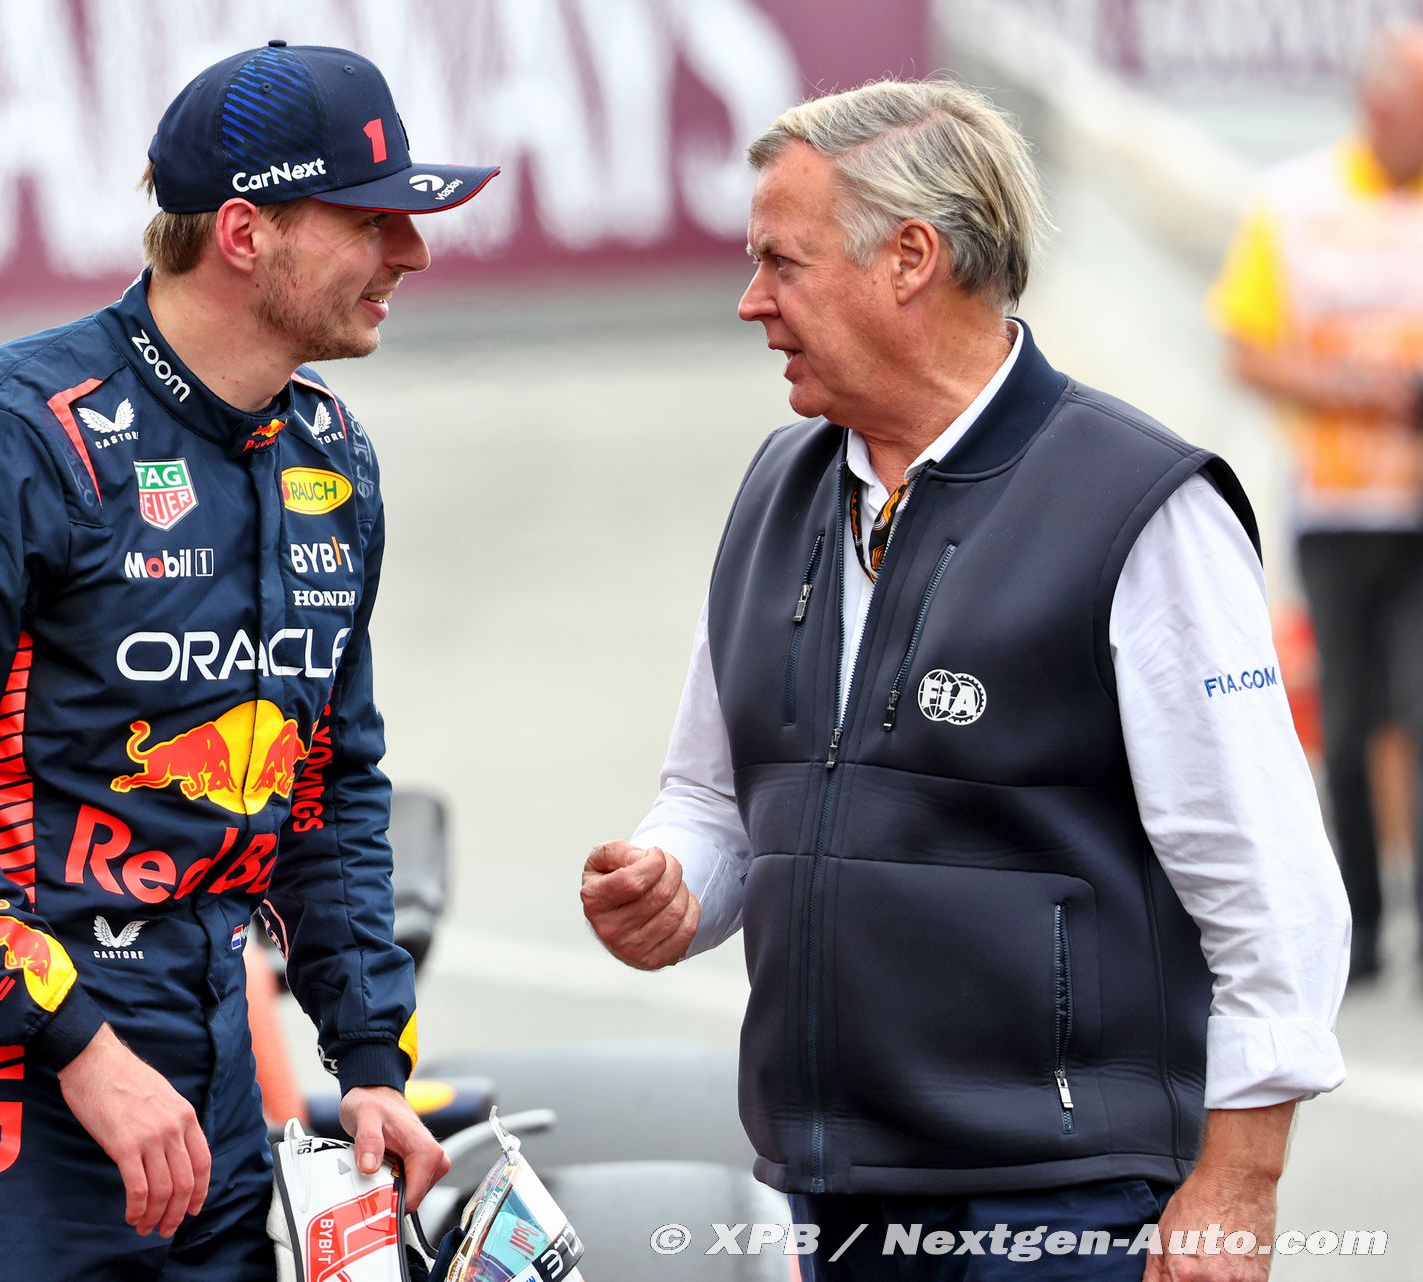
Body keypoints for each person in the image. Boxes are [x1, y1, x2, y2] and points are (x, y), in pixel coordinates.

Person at [580, 79, 1350, 1279]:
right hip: (837, 1193)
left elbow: (1269, 885)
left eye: (782, 262)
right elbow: (715, 798)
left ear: (910, 258)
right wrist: (671, 880)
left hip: (1065, 1203)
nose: (751, 300)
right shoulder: (776, 490)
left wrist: (1239, 1182)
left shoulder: (1140, 505)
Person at [0, 41, 498, 1281]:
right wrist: (80, 1045)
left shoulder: (329, 458)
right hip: (2, 1097)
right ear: (244, 232)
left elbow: (325, 788)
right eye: (370, 220)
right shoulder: (5, 435)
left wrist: (370, 1060)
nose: (412, 253)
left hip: (213, 1090)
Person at [1209, 26, 1423, 983]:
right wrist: (1351, 391)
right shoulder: (1294, 201)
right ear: (1376, 105)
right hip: (1335, 506)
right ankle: (1362, 927)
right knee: (1348, 714)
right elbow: (1245, 348)